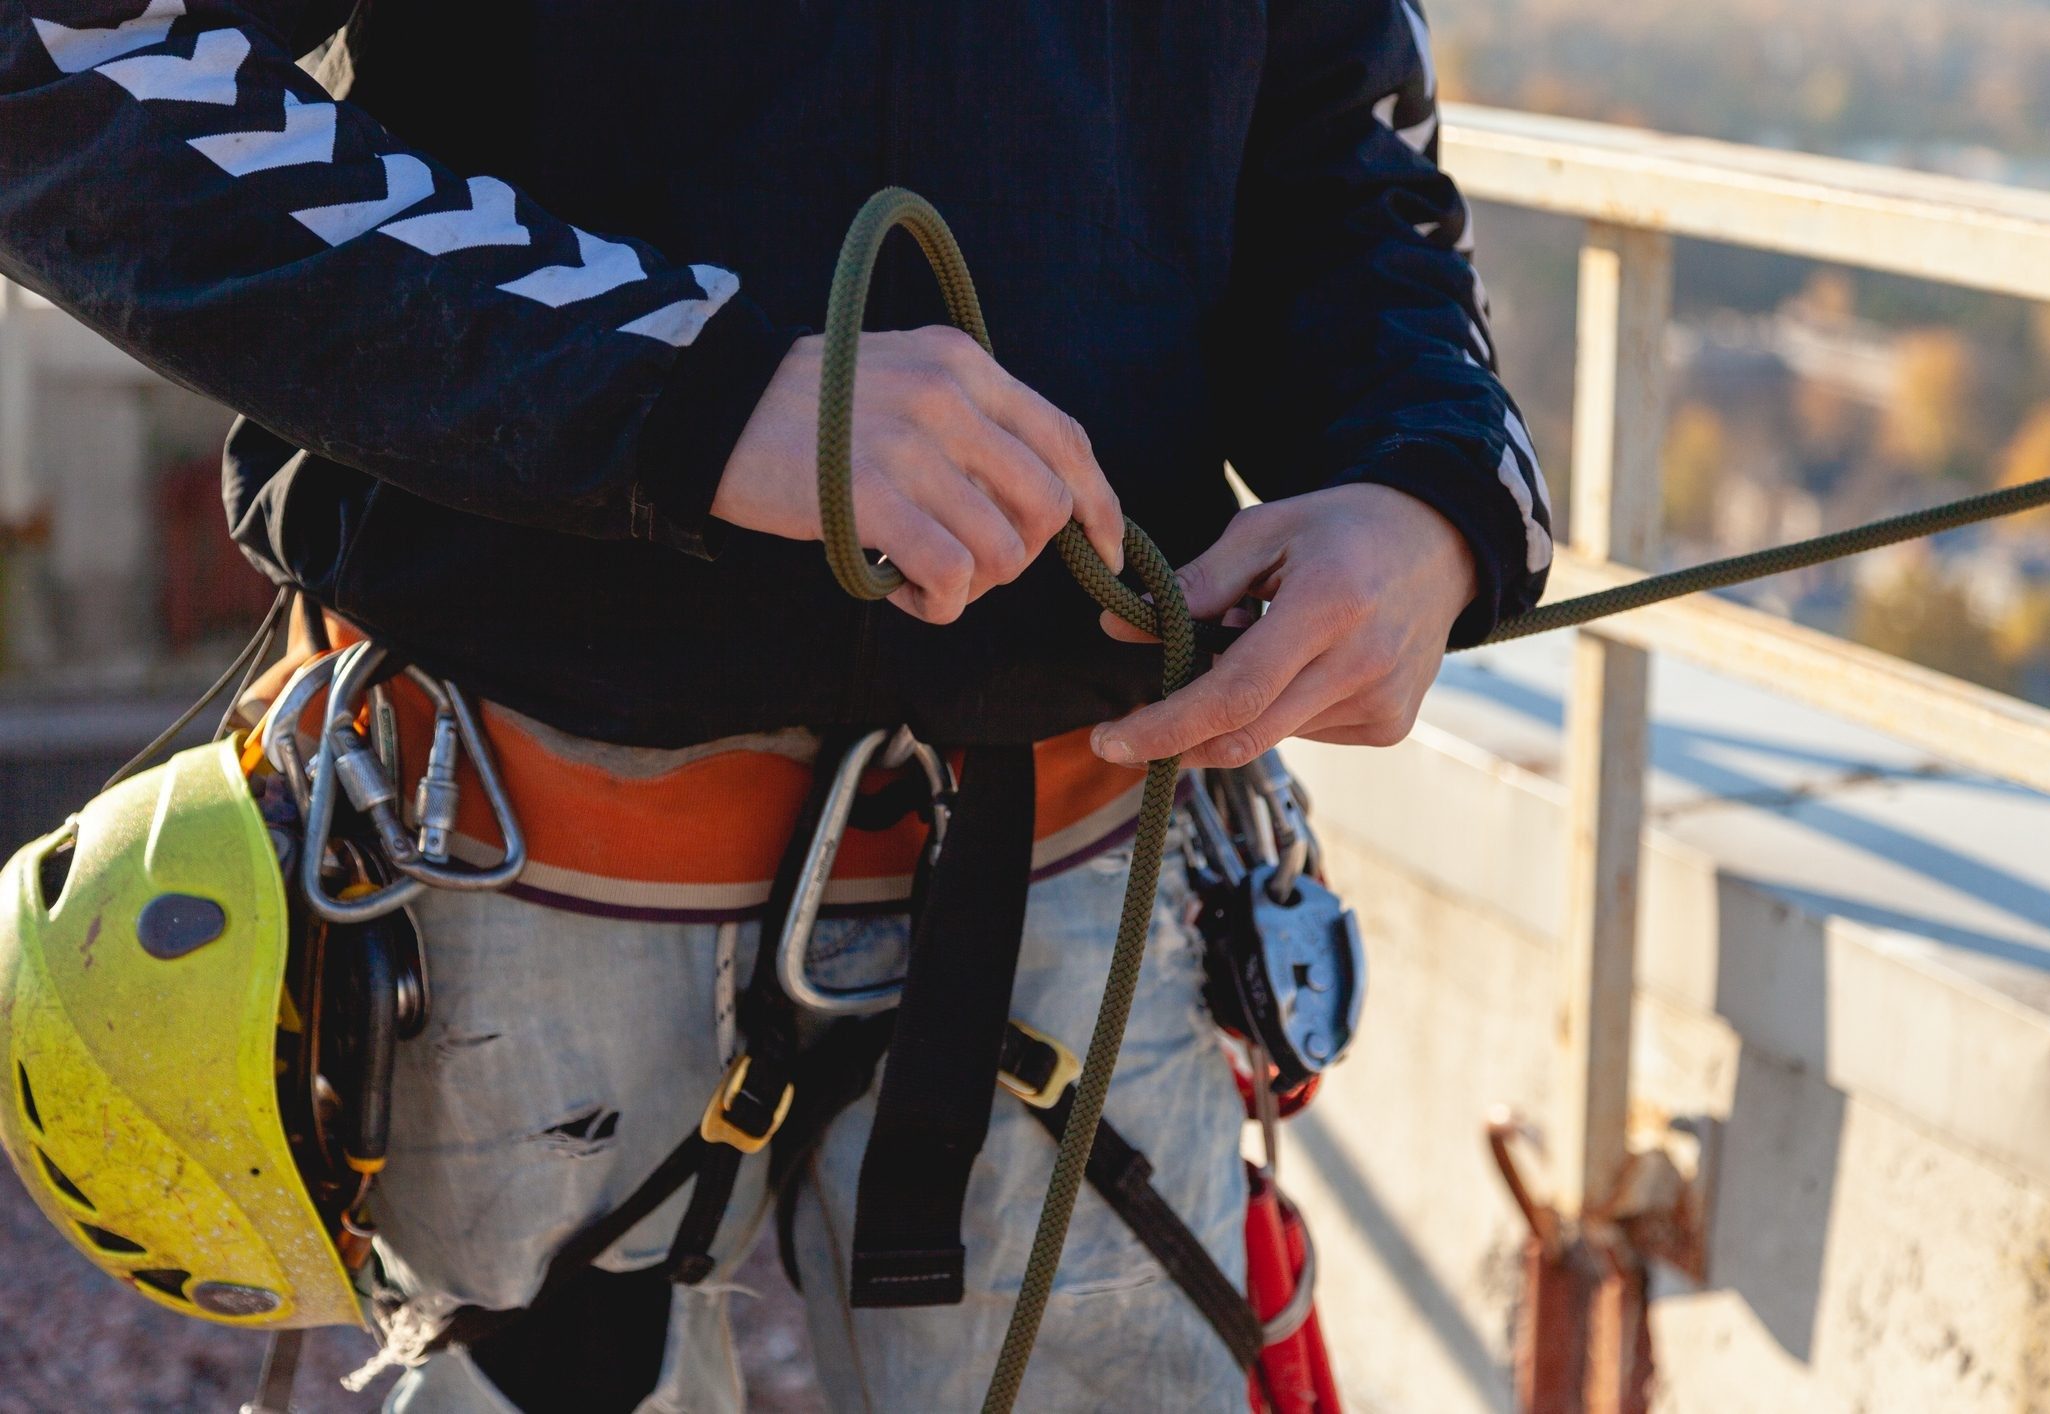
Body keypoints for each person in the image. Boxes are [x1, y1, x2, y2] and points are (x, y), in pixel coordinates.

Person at [0, 1, 1549, 1409]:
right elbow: (75, 76)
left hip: (1069, 857)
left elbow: (1342, 161)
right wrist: (689, 389)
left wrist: (1428, 492)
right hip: (511, 852)